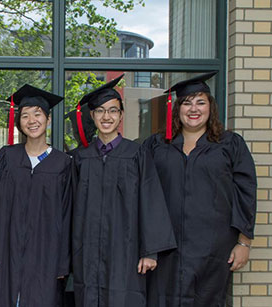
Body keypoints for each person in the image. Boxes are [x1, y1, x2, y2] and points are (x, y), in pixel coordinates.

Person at [142, 71, 257, 307]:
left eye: (200, 102)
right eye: (187, 103)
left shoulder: (229, 144)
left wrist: (244, 242)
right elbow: (143, 193)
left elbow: (246, 192)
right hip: (166, 248)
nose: (193, 109)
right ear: (177, 109)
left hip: (213, 248)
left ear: (210, 107)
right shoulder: (156, 145)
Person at [70, 74, 177, 307]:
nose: (106, 116)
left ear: (120, 115)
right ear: (92, 116)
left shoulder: (136, 154)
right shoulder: (80, 158)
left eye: (112, 111)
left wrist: (150, 251)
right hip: (86, 251)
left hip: (125, 249)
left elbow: (151, 201)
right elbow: (69, 208)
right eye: (100, 111)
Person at [0, 84, 74, 307]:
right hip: (9, 249)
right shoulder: (8, 156)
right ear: (19, 122)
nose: (32, 120)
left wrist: (62, 262)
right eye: (25, 115)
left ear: (48, 120)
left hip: (46, 253)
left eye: (38, 114)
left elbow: (67, 214)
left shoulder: (63, 163)